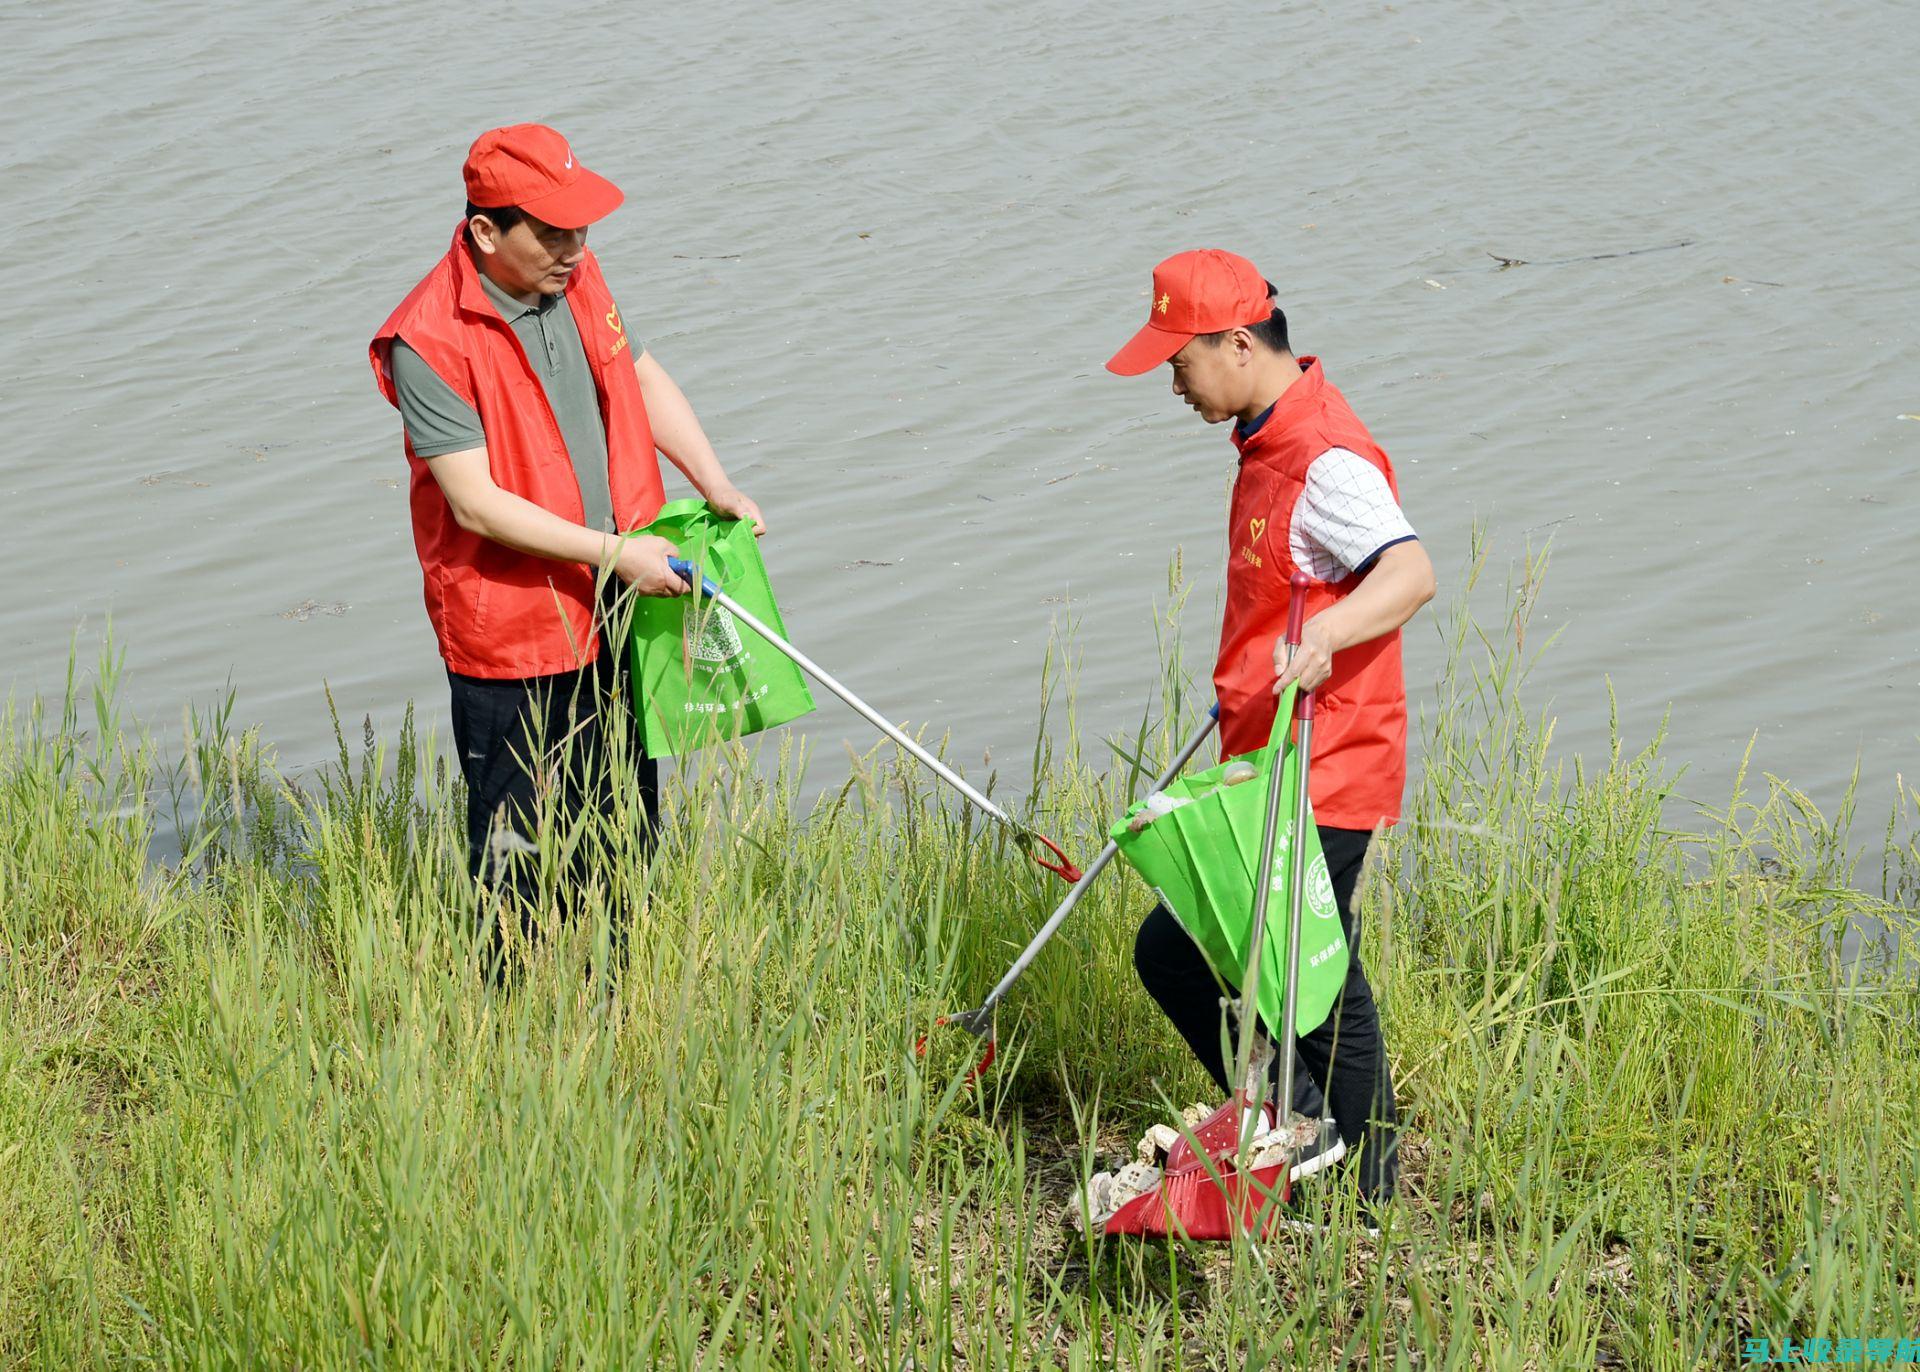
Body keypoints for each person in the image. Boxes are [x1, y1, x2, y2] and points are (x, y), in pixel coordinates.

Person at [368, 124, 765, 941]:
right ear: (486, 231)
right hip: (511, 638)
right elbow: (474, 503)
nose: (575, 249)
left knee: (625, 828)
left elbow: (638, 374)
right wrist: (617, 554)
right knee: (521, 858)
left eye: (582, 229)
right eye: (552, 231)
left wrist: (713, 479)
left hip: (618, 605)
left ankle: (621, 1000)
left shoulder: (574, 277)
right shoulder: (428, 339)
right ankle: (516, 1022)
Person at [1105, 249, 1436, 1210]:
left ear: (1239, 344)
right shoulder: (1263, 439)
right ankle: (1300, 1131)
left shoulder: (1325, 455)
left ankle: (1361, 1188)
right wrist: (1245, 688)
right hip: (1268, 755)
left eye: (1180, 361)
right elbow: (1281, 593)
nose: (1173, 382)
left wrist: (1328, 634)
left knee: (1313, 981)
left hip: (1328, 758)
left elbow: (1409, 573)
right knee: (1220, 958)